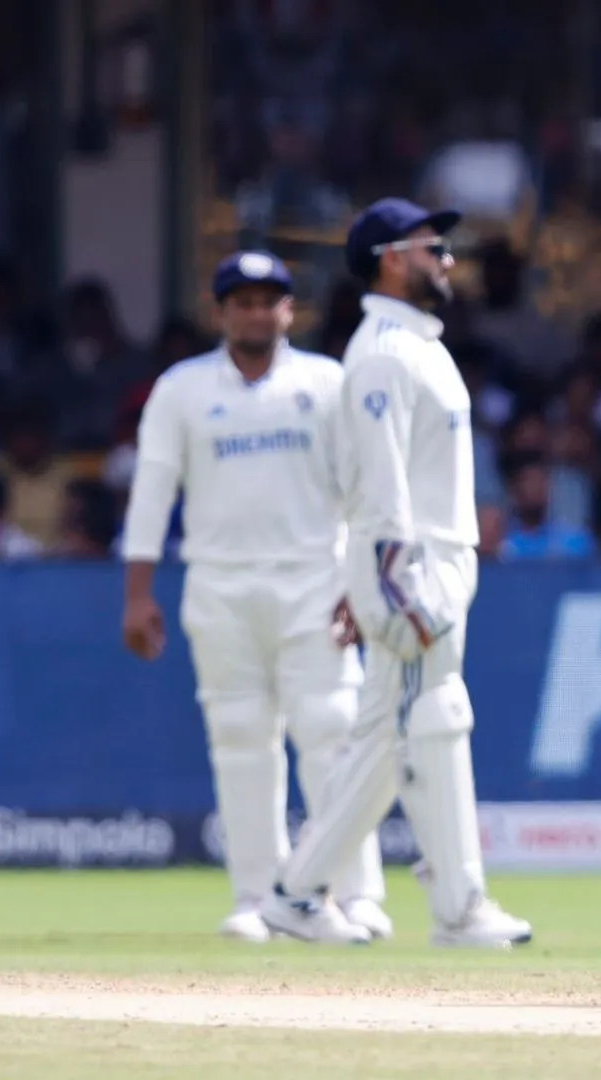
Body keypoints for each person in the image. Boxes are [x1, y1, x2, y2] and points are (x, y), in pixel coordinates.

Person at [261, 197, 532, 948]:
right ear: (388, 259)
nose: (447, 260)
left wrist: (373, 580)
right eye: (431, 248)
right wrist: (389, 580)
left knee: (389, 739)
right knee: (434, 720)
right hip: (414, 568)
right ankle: (460, 909)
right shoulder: (382, 351)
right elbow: (377, 481)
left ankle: (296, 893)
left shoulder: (417, 346)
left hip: (428, 563)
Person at [120, 251, 387, 944]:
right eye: (242, 301)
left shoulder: (326, 383)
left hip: (314, 578)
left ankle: (354, 894)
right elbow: (153, 491)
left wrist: (360, 582)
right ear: (220, 312)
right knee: (240, 738)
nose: (256, 313)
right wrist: (138, 594)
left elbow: (363, 490)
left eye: (269, 300)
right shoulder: (181, 389)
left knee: (331, 731)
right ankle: (258, 897)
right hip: (219, 584)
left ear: (289, 310)